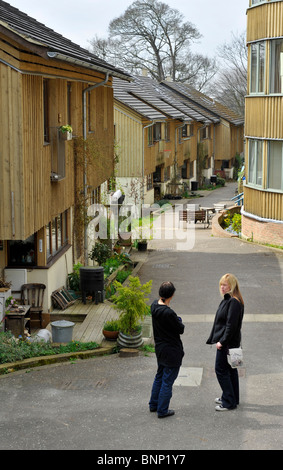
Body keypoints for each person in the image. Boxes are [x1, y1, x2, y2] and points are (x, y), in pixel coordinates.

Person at [206, 273, 244, 411]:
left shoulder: (233, 302)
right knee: (230, 370)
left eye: (225, 285)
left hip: (227, 343)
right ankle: (232, 397)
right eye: (221, 284)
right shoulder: (232, 300)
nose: (222, 287)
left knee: (221, 369)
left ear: (231, 286)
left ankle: (229, 401)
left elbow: (230, 326)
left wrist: (221, 342)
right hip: (231, 342)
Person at [149, 281, 185, 418]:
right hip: (172, 351)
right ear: (172, 295)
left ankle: (154, 404)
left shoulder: (154, 306)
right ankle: (162, 410)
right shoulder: (168, 313)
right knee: (167, 381)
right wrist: (178, 320)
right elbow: (180, 329)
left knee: (159, 376)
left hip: (160, 349)